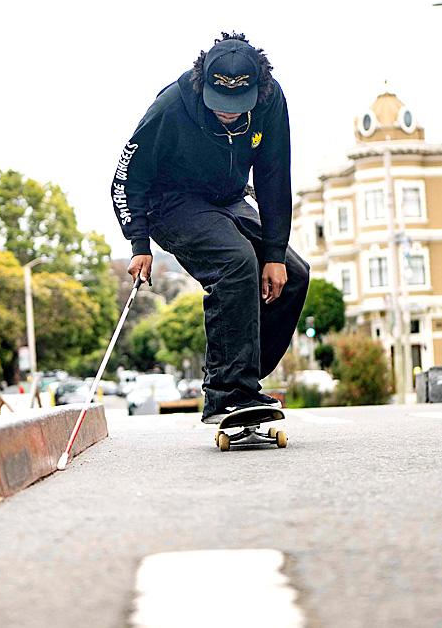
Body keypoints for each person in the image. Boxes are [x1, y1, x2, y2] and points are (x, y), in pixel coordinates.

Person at [110, 32, 310, 423]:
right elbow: (126, 177)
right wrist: (139, 243)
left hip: (229, 199)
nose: (229, 113)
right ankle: (225, 392)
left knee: (293, 274)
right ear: (203, 84)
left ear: (259, 87)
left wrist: (273, 254)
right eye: (221, 106)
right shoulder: (171, 106)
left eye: (238, 105)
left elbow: (273, 178)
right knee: (235, 263)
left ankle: (244, 383)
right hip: (171, 202)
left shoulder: (271, 101)